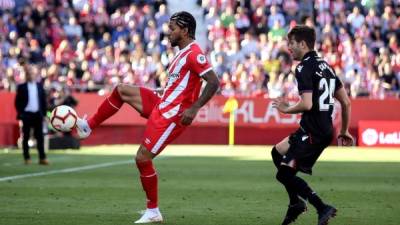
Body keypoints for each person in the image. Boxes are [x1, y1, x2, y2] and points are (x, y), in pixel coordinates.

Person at [75, 11, 220, 223]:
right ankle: (87, 125)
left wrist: (195, 108)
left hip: (172, 115)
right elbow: (180, 85)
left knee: (142, 158)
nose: (168, 33)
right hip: (162, 102)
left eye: (172, 29)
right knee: (121, 90)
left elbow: (213, 82)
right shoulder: (181, 53)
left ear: (185, 30)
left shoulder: (194, 53)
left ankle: (153, 211)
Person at [271, 25, 353, 225]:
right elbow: (346, 102)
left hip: (313, 131)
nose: (289, 47)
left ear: (302, 43)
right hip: (320, 129)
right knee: (277, 152)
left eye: (291, 43)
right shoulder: (327, 66)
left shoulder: (303, 68)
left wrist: (286, 108)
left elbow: (307, 103)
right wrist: (344, 131)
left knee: (284, 173)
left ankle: (322, 207)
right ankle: (295, 203)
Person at [15, 63, 49, 165]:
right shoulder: (22, 87)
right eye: (29, 73)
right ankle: (27, 157)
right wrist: (21, 113)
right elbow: (17, 102)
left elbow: (43, 101)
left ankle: (42, 158)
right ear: (26, 75)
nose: (31, 75)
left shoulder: (39, 86)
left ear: (35, 74)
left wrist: (44, 115)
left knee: (40, 137)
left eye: (32, 73)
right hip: (26, 115)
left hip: (37, 115)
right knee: (25, 137)